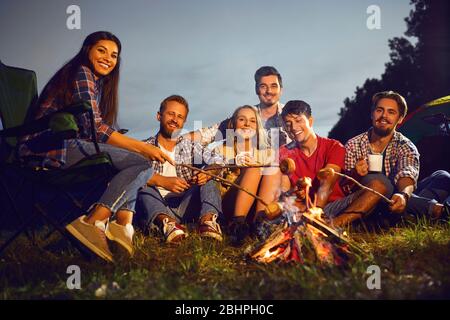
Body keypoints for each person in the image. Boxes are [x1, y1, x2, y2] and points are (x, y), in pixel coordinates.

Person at [17, 31, 171, 262]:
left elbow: (93, 131)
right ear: (87, 49)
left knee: (133, 162)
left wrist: (132, 148)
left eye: (114, 55)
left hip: (65, 146)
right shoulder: (82, 73)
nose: (108, 58)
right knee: (140, 163)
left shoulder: (96, 83)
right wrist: (142, 147)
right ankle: (94, 222)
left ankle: (122, 225)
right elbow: (96, 130)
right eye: (102, 50)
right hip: (48, 146)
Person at [135, 95, 225, 243]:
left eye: (180, 117)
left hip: (185, 205)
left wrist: (208, 173)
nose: (175, 120)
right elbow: (132, 174)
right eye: (171, 114)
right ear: (159, 116)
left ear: (183, 122)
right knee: (142, 184)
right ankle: (168, 225)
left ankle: (208, 223)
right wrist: (163, 181)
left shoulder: (190, 145)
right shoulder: (145, 147)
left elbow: (219, 161)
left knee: (209, 176)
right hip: (156, 207)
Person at [332, 91, 421, 227]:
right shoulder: (353, 144)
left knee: (441, 176)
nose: (384, 116)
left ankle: (427, 209)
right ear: (372, 114)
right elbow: (344, 188)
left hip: (396, 201)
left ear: (400, 118)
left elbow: (407, 171)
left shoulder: (405, 145)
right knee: (378, 181)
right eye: (380, 110)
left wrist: (404, 195)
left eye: (391, 112)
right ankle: (431, 208)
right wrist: (356, 173)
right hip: (365, 202)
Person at [213, 105, 275, 245]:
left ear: (258, 127)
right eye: (242, 119)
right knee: (253, 170)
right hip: (228, 204)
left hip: (257, 205)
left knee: (271, 170)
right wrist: (234, 168)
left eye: (253, 121)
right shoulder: (221, 150)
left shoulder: (268, 152)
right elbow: (213, 181)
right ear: (233, 124)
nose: (247, 124)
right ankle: (236, 226)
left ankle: (260, 224)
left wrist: (260, 165)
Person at [193, 66, 289, 147]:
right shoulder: (246, 115)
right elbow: (210, 133)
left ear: (281, 90)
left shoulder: (293, 114)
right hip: (251, 166)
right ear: (256, 90)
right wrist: (179, 139)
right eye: (263, 86)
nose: (269, 91)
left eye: (273, 86)